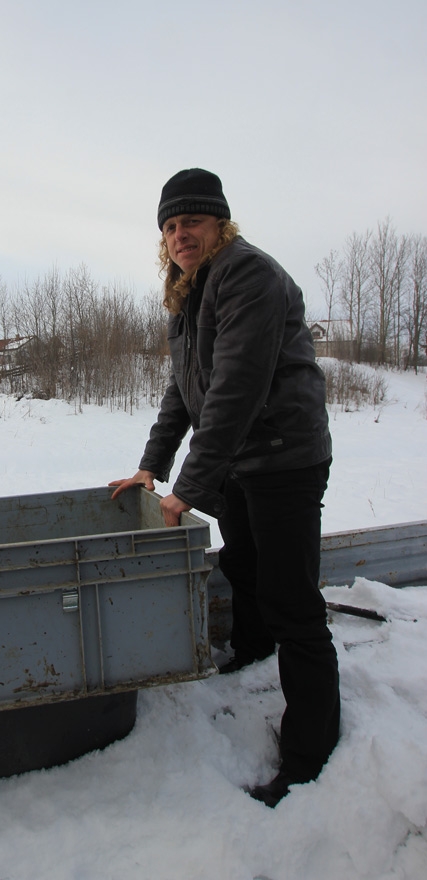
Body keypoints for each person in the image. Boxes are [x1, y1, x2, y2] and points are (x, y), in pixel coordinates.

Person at [110, 168, 340, 808]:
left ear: (221, 223)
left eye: (192, 221)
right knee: (243, 564)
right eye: (170, 226)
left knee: (293, 602)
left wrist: (188, 486)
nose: (180, 235)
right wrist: (151, 465)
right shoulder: (189, 292)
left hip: (284, 457)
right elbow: (183, 391)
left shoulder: (247, 275)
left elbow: (236, 389)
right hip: (241, 460)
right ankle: (254, 649)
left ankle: (311, 751)